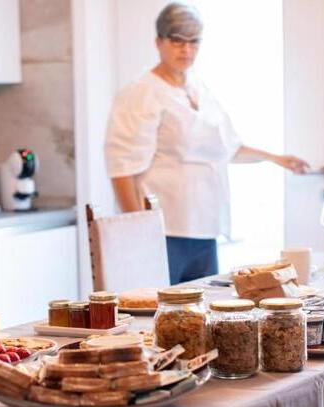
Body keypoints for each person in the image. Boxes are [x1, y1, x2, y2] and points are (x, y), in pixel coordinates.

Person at [105, 2, 310, 285]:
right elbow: (121, 168)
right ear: (159, 42)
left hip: (204, 228)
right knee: (161, 308)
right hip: (164, 231)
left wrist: (276, 158)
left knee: (204, 308)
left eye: (194, 42)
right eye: (177, 41)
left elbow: (227, 148)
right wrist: (140, 232)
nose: (186, 50)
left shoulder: (198, 88)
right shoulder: (141, 93)